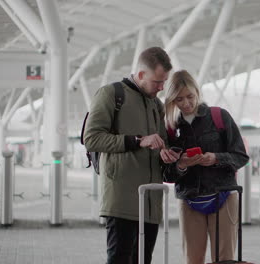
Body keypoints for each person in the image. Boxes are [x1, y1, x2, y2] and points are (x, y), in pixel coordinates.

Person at [84, 47, 180, 264]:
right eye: (157, 81)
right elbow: (92, 138)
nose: (161, 87)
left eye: (164, 81)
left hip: (150, 201)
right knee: (120, 259)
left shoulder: (156, 104)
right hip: (121, 201)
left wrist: (166, 153)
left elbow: (161, 143)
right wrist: (137, 140)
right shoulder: (111, 94)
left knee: (144, 260)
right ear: (141, 74)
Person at [162, 70, 249, 264]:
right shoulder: (170, 128)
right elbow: (166, 174)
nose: (186, 103)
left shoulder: (219, 117)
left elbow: (241, 156)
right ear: (171, 101)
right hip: (189, 200)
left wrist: (216, 158)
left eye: (190, 96)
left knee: (224, 260)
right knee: (192, 260)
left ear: (197, 92)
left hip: (224, 196)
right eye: (179, 99)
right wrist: (182, 164)